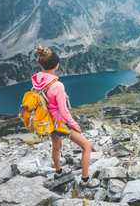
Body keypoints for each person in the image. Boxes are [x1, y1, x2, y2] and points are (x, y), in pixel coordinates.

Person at [32, 46, 100, 188]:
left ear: (41, 64)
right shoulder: (57, 85)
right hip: (59, 122)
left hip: (47, 121)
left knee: (57, 145)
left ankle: (59, 172)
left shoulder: (37, 79)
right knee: (87, 146)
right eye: (58, 61)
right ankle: (85, 180)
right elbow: (63, 111)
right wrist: (74, 125)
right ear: (56, 65)